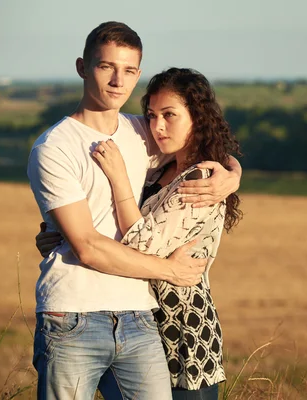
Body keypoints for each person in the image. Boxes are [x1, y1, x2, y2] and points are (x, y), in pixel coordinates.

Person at [27, 22, 241, 400]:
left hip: (141, 315)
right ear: (82, 67)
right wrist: (169, 270)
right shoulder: (55, 147)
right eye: (105, 66)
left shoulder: (141, 132)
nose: (116, 81)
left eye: (128, 70)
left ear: (138, 74)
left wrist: (230, 173)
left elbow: (197, 141)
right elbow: (88, 247)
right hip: (74, 314)